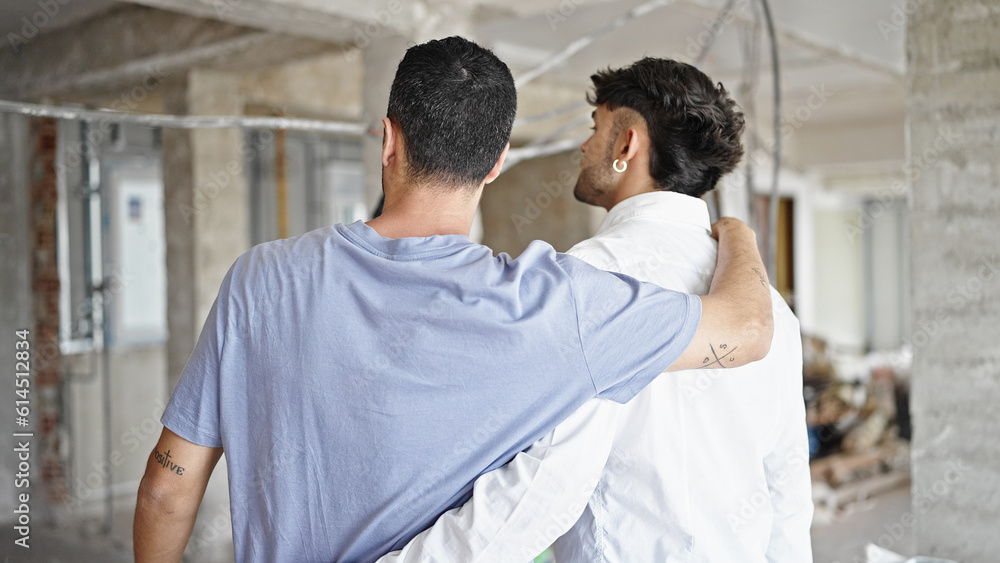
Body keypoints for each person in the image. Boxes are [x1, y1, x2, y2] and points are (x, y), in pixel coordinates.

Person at [133, 40, 774, 563]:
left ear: (387, 140)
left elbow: (166, 488)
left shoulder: (259, 280)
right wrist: (735, 232)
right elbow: (747, 331)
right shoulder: (557, 307)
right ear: (495, 165)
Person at [382, 58, 813, 562]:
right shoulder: (768, 306)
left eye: (595, 129)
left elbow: (545, 484)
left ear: (627, 145)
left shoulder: (586, 277)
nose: (585, 147)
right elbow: (787, 485)